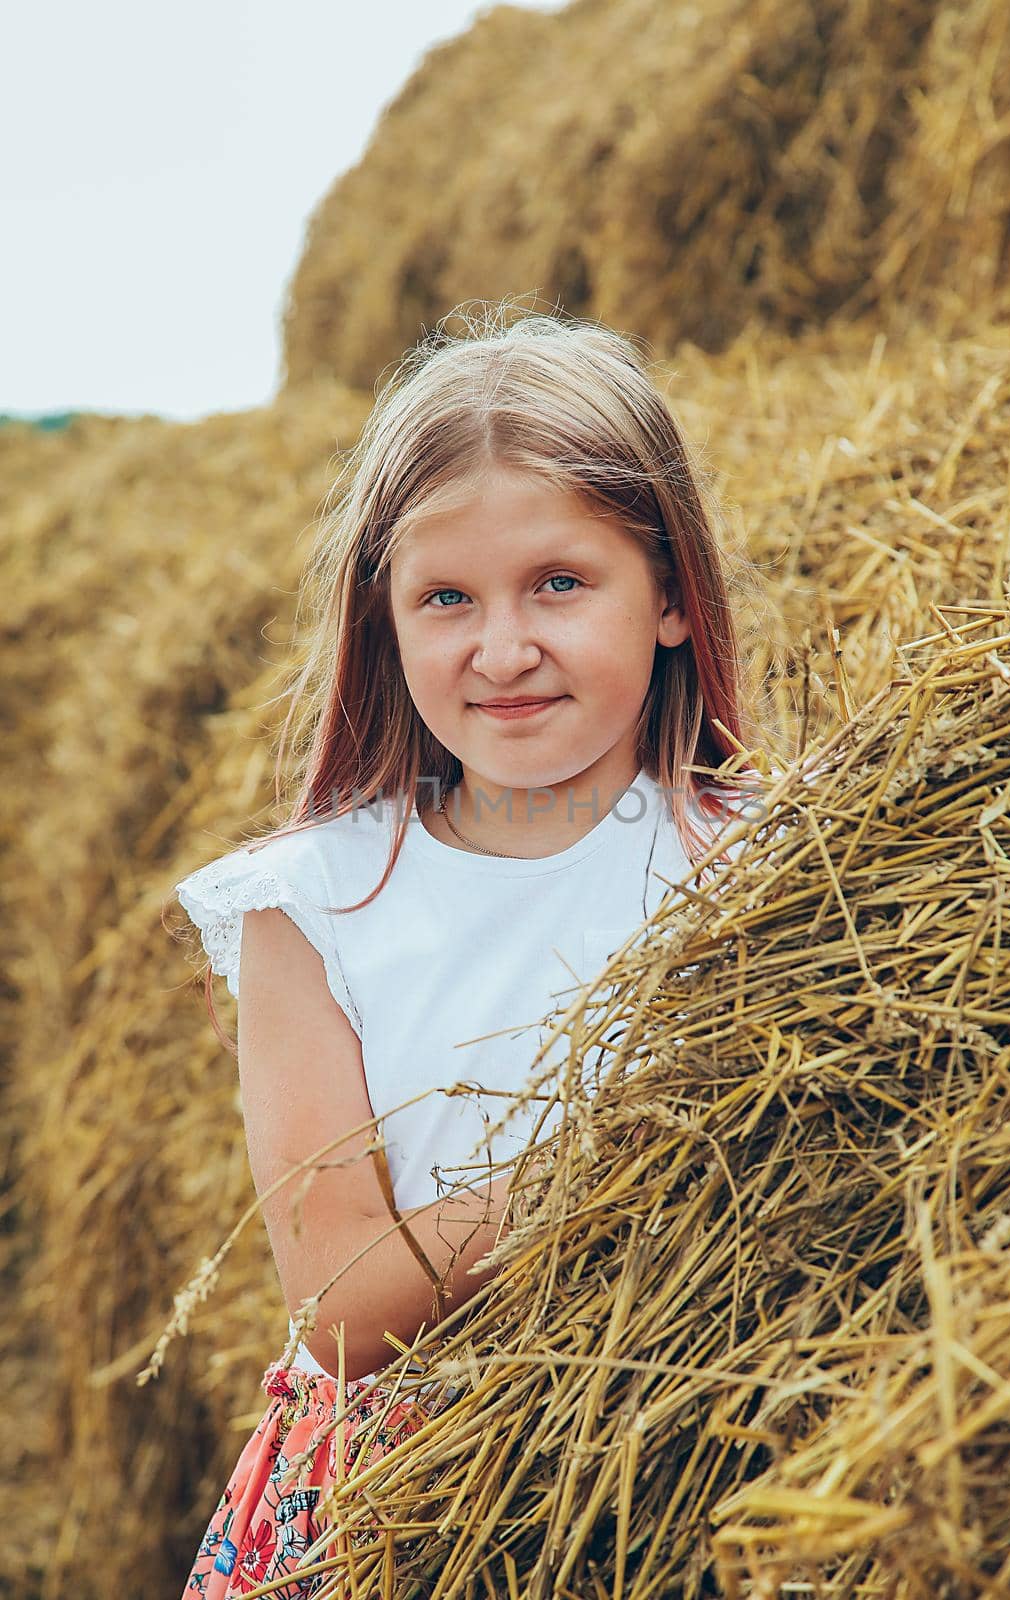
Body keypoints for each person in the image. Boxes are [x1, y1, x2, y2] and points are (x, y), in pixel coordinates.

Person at [173, 301, 771, 1596]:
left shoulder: (774, 862)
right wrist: (604, 1171)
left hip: (707, 1461)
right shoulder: (312, 909)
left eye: (560, 582)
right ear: (384, 618)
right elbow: (340, 1308)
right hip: (409, 1505)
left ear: (670, 595)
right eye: (447, 598)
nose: (503, 649)